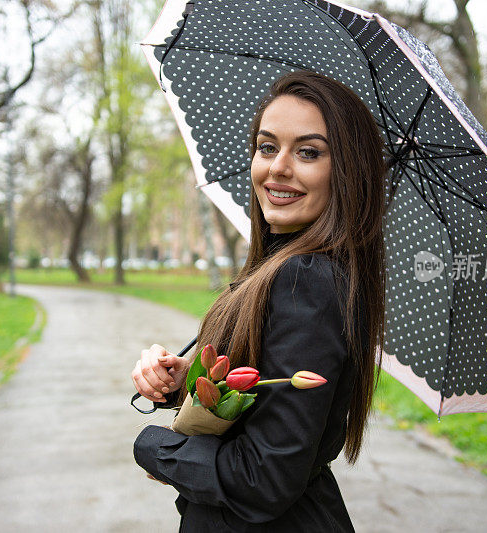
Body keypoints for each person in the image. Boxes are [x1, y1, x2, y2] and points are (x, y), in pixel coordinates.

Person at [131, 70, 388, 532]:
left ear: (347, 171)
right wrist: (189, 381)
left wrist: (156, 448)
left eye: (309, 152)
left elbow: (263, 477)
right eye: (268, 147)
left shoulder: (304, 279)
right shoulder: (284, 266)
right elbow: (263, 404)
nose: (277, 168)